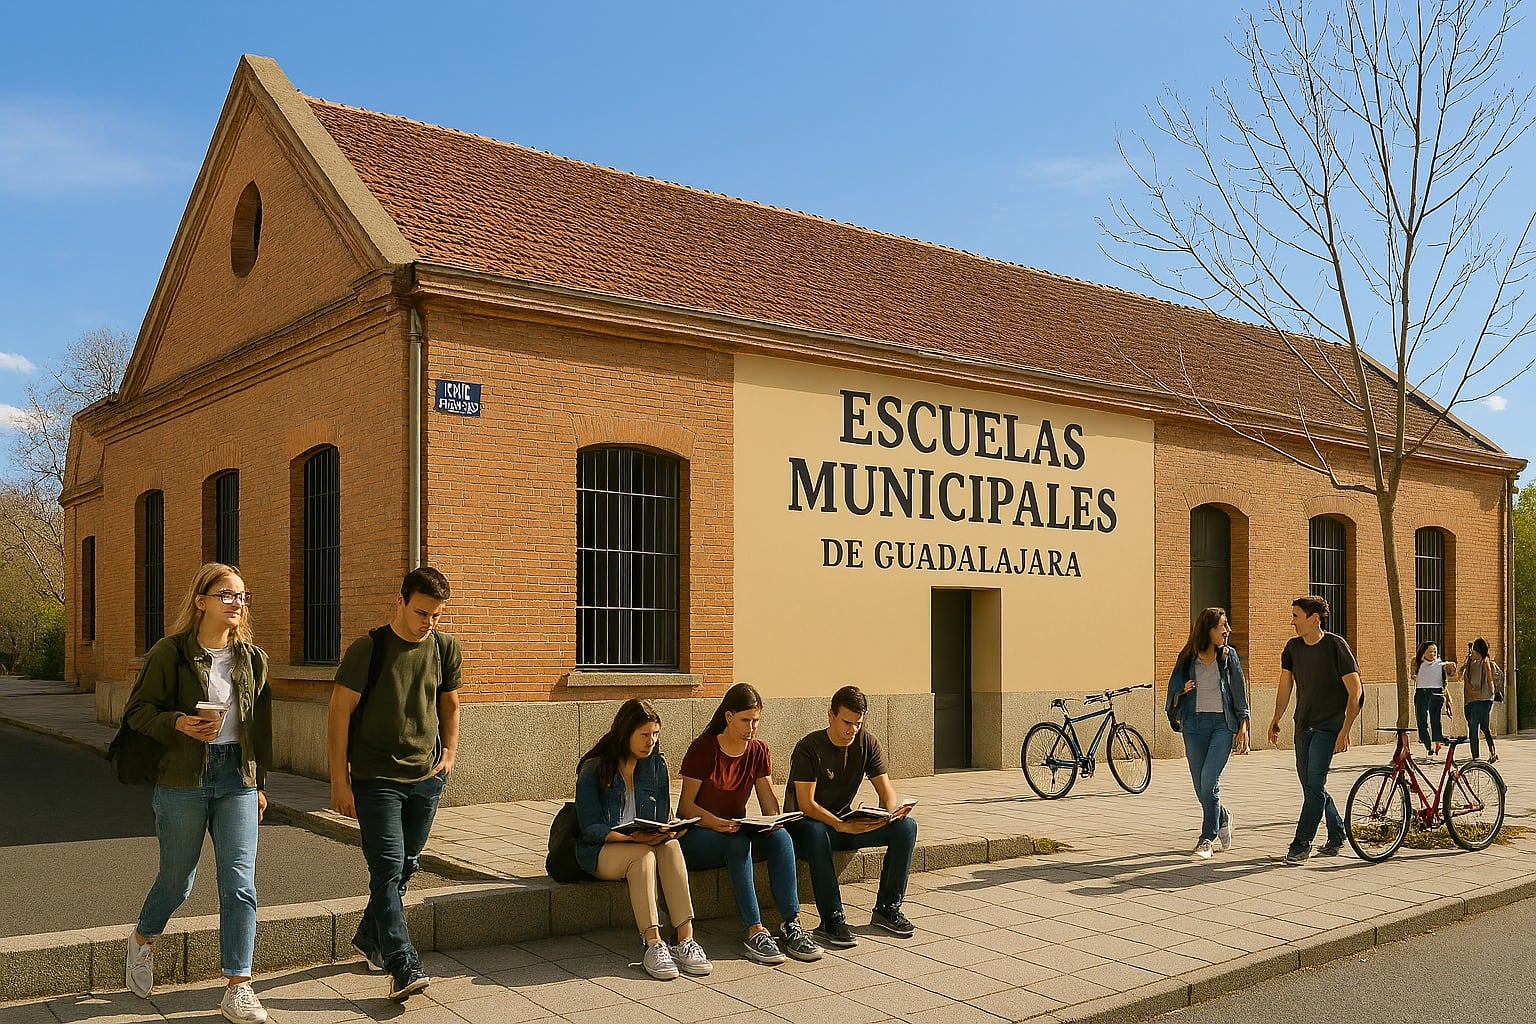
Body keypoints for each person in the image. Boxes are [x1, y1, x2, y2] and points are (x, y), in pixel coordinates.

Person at [123, 563, 272, 1024]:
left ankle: (238, 985)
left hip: (236, 780)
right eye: (226, 594)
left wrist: (259, 782)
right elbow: (137, 712)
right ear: (201, 600)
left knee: (239, 882)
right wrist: (179, 723)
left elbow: (260, 727)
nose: (236, 603)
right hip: (182, 778)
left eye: (242, 596)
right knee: (178, 881)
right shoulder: (170, 653)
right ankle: (143, 938)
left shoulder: (252, 659)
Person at [327, 567, 462, 1002]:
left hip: (425, 777)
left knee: (407, 866)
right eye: (422, 612)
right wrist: (338, 782)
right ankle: (403, 964)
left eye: (437, 615)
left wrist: (451, 754)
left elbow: (451, 703)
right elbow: (338, 714)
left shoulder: (444, 647)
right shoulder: (369, 648)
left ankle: (371, 939)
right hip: (375, 779)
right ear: (400, 601)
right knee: (387, 868)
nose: (429, 622)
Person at [677, 683, 822, 965]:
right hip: (699, 835)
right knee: (738, 841)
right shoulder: (704, 749)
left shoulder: (758, 751)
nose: (751, 727)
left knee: (780, 838)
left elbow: (769, 805)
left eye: (756, 721)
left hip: (733, 830)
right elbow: (685, 807)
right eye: (745, 720)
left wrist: (774, 821)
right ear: (729, 716)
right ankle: (754, 930)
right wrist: (715, 822)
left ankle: (791, 925)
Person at [575, 698, 712, 981]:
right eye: (644, 735)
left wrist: (669, 829)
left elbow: (661, 815)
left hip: (644, 841)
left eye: (655, 734)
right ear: (625, 733)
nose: (650, 741)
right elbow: (589, 827)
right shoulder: (594, 767)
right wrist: (631, 839)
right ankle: (653, 943)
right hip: (602, 849)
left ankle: (685, 940)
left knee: (671, 845)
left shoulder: (656, 766)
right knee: (642, 855)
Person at [785, 685, 918, 949]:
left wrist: (888, 815)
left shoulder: (866, 742)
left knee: (906, 827)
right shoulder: (809, 747)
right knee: (815, 831)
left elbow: (886, 790)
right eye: (846, 722)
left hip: (844, 824)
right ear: (830, 716)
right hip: (805, 827)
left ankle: (887, 908)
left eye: (858, 723)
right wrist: (840, 825)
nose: (852, 730)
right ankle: (832, 918)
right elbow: (806, 804)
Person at [1267, 595, 1363, 865]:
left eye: (1296, 616)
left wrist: (1345, 730)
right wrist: (1277, 717)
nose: (1292, 621)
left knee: (1314, 784)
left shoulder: (1335, 646)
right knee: (1312, 787)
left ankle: (1301, 844)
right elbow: (1286, 685)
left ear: (1314, 618)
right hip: (1303, 725)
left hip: (1328, 727)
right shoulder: (1293, 648)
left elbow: (1355, 692)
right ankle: (1337, 833)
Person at [1164, 607, 1250, 860]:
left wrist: (1243, 725)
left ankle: (1207, 839)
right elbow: (1173, 687)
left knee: (1209, 780)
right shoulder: (1188, 656)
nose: (1227, 631)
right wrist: (1183, 689)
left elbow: (1238, 690)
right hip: (1194, 725)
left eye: (1227, 625)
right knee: (1200, 786)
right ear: (1208, 629)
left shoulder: (1228, 656)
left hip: (1222, 725)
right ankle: (1222, 816)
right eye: (1222, 626)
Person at [1412, 640, 1458, 757]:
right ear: (1423, 652)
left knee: (1435, 719)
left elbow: (1450, 671)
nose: (1432, 654)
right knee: (1421, 721)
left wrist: (1449, 699)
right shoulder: (1418, 662)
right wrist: (1414, 676)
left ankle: (1438, 739)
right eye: (1430, 651)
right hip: (1421, 692)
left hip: (1436, 693)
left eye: (1435, 651)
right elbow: (1412, 673)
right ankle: (1428, 745)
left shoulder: (1440, 664)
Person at [1461, 637, 1502, 763]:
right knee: (1483, 726)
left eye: (1473, 649)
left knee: (1473, 727)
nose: (1471, 651)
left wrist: (1494, 691)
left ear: (1478, 650)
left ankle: (1475, 757)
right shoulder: (1470, 663)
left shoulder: (1487, 663)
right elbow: (1461, 676)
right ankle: (1492, 751)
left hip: (1483, 700)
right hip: (1471, 700)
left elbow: (1494, 679)